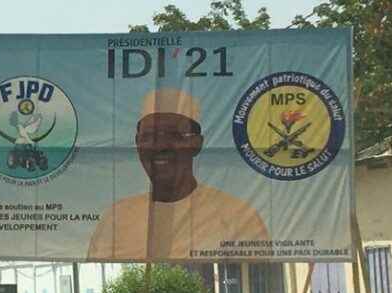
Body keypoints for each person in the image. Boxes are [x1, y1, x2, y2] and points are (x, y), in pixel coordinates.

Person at [87, 88, 269, 259]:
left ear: (196, 143)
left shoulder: (238, 217)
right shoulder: (116, 219)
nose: (160, 146)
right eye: (149, 136)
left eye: (174, 135)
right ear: (137, 143)